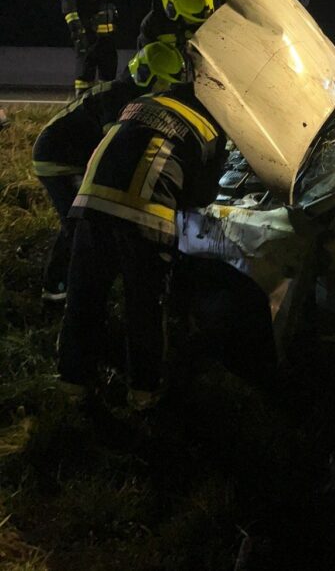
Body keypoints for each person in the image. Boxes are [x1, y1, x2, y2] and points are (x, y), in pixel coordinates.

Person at [58, 44, 227, 408]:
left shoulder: (140, 103)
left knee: (84, 298)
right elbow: (201, 195)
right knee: (144, 307)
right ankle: (143, 393)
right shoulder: (210, 129)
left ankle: (73, 383)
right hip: (144, 218)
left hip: (90, 205)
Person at [30, 46, 172, 302]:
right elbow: (114, 146)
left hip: (70, 155)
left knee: (82, 220)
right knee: (77, 223)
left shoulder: (125, 92)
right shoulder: (118, 98)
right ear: (150, 79)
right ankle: (56, 288)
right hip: (57, 159)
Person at [136, 0, 214, 51]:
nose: (198, 25)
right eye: (190, 20)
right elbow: (146, 56)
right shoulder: (153, 27)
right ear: (172, 10)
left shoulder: (206, 18)